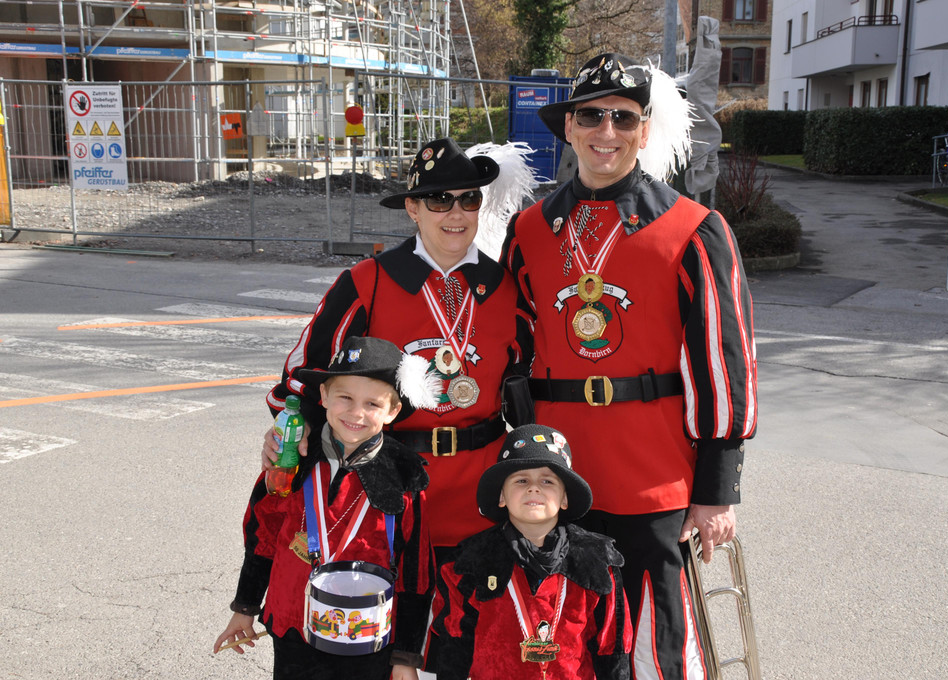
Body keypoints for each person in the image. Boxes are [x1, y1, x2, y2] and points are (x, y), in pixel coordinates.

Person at [502, 53, 758, 679]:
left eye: (623, 117)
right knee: (561, 640)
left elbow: (723, 365)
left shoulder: (694, 229)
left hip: (654, 474)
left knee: (654, 648)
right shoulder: (529, 229)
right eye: (591, 116)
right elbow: (509, 348)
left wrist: (716, 490)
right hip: (556, 473)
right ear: (569, 127)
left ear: (645, 130)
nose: (606, 131)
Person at [263, 137, 532, 553]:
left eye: (469, 199)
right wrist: (293, 430)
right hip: (388, 487)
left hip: (483, 492)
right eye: (439, 200)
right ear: (412, 208)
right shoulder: (367, 282)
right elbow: (303, 375)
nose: (456, 213)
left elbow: (529, 379)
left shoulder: (505, 288)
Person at [215, 336, 438, 679]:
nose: (356, 413)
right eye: (345, 397)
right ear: (323, 396)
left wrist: (405, 657)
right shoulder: (291, 459)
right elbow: (262, 536)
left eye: (372, 404)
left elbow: (416, 572)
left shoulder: (406, 474)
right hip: (294, 623)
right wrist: (245, 606)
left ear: (393, 411)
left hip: (368, 633)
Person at [433, 424, 632, 680]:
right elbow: (454, 649)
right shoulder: (467, 563)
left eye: (547, 481)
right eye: (521, 480)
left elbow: (612, 649)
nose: (534, 488)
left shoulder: (598, 560)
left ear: (565, 498)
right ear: (502, 496)